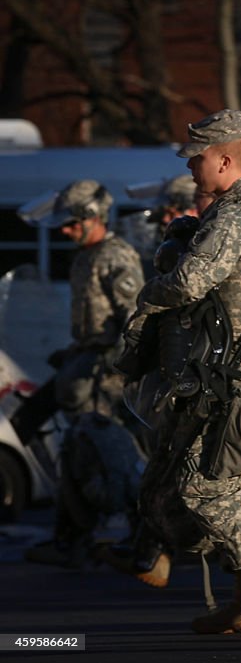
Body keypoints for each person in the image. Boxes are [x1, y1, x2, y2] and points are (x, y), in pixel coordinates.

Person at [128, 108, 241, 632]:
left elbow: (189, 281)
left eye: (197, 159)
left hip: (239, 368)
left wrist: (149, 295)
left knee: (202, 481)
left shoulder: (236, 212)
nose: (191, 169)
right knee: (240, 479)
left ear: (225, 158)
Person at [18, 179, 145, 568]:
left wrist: (114, 358)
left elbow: (135, 318)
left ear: (94, 218)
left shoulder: (115, 256)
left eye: (73, 224)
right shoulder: (84, 258)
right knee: (74, 452)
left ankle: (139, 537)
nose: (66, 231)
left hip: (105, 376)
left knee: (110, 456)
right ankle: (71, 537)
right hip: (84, 365)